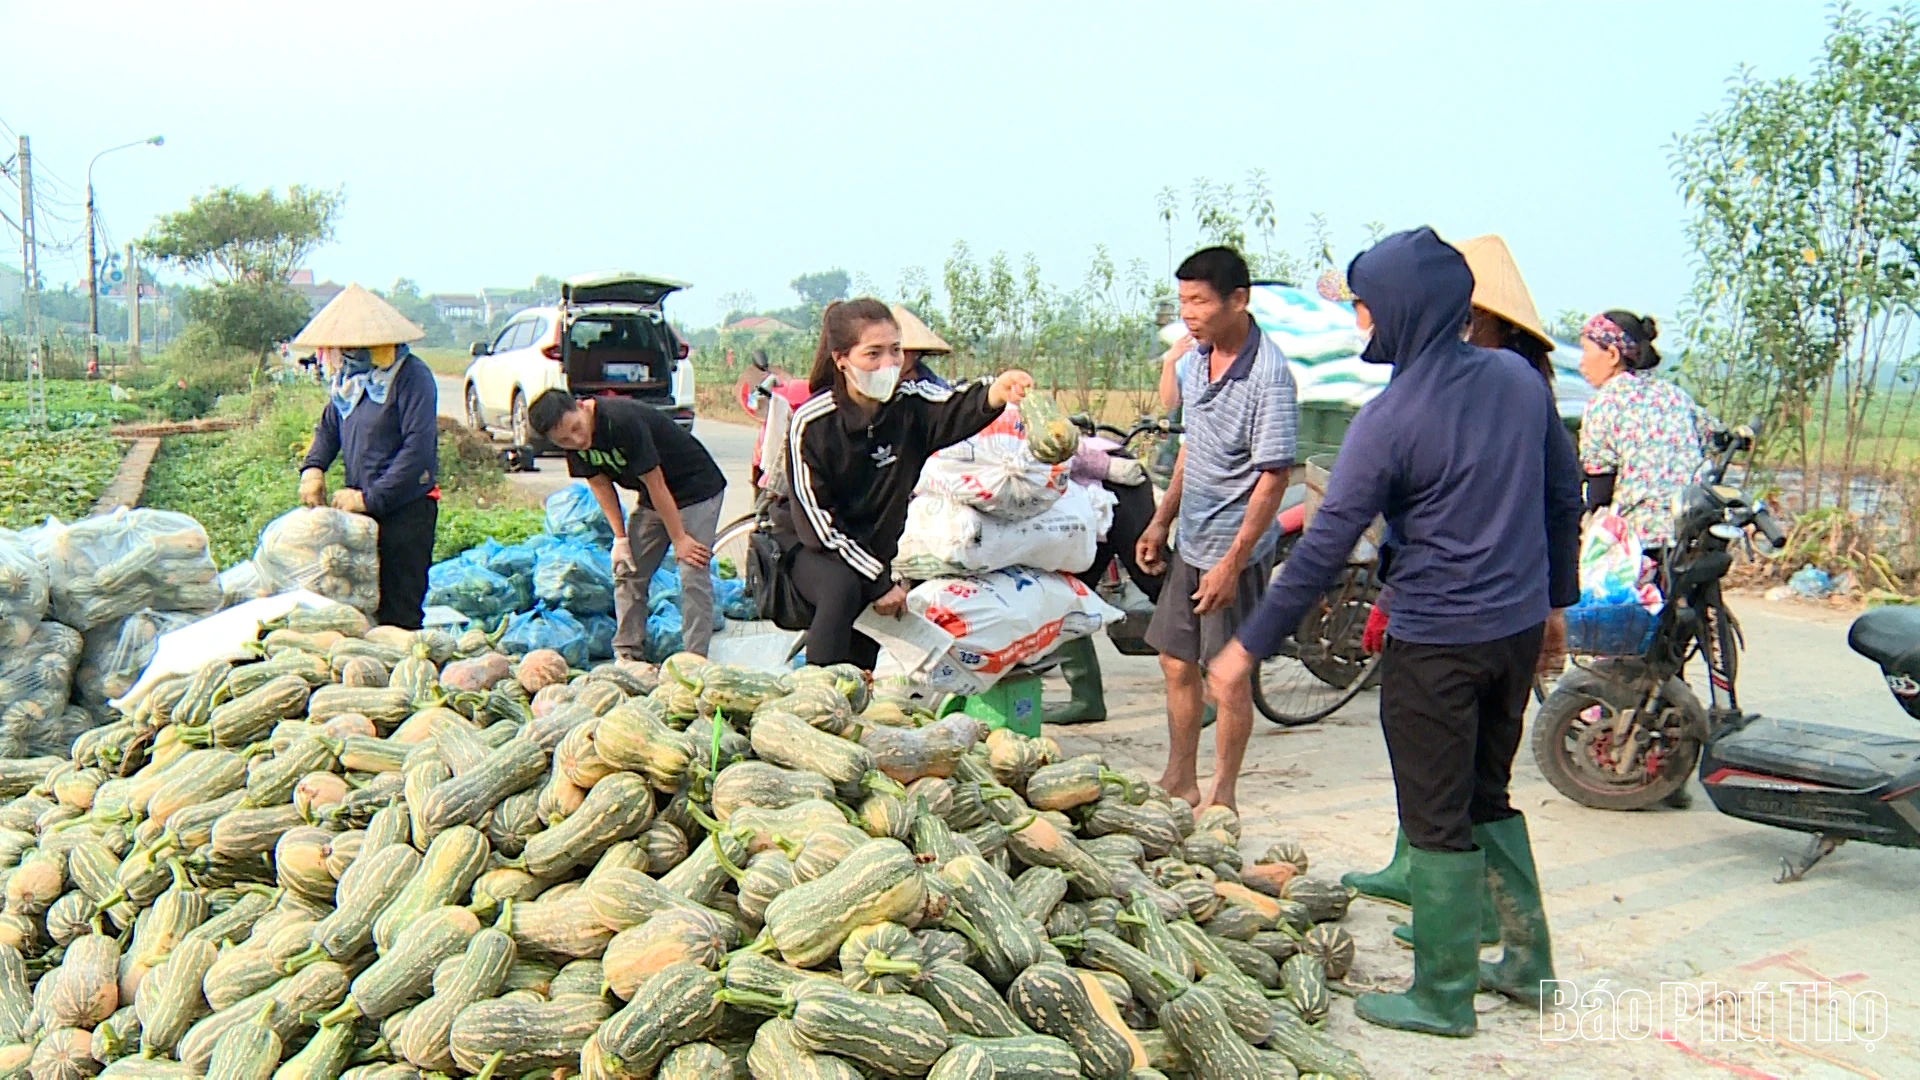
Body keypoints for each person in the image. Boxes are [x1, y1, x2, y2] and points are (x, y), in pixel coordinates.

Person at [1210, 228, 1581, 1037]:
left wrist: (1247, 645)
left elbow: (1324, 547)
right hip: (1515, 631)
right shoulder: (1519, 380)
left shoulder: (1391, 418)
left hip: (1437, 641)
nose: (1358, 322)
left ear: (1405, 309)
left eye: (1365, 307)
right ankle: (1526, 964)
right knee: (1489, 792)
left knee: (1435, 814)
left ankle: (1442, 997)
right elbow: (1563, 495)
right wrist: (1557, 603)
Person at [1346, 233, 1569, 935]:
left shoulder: (1500, 386)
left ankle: (1452, 950)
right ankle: (1477, 924)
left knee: (1451, 786)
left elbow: (1542, 505)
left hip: (1462, 618)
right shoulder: (1491, 381)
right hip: (1492, 610)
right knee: (1455, 778)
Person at [776, 298, 1032, 668]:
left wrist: (997, 392)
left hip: (875, 553)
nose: (888, 365)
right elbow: (819, 527)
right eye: (873, 354)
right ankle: (813, 697)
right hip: (814, 549)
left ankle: (854, 706)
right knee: (843, 588)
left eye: (895, 351)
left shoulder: (911, 404)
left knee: (866, 642)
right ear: (841, 360)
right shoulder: (813, 423)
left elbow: (954, 406)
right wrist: (879, 581)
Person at [1136, 246, 1297, 811]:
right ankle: (1180, 778)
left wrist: (1233, 561)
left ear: (1239, 300)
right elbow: (1191, 449)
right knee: (1174, 661)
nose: (1189, 313)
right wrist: (1162, 519)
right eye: (1182, 300)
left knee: (1226, 678)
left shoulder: (1270, 376)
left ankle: (1223, 796)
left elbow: (1274, 477)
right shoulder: (1193, 362)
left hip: (1236, 548)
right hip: (1192, 539)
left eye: (1200, 301)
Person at [526, 390, 728, 659]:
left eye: (576, 428)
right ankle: (627, 653)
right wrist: (620, 539)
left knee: (692, 569)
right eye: (564, 440)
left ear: (581, 406)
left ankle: (695, 658)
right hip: (654, 497)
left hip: (697, 488)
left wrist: (679, 538)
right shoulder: (573, 446)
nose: (578, 440)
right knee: (628, 568)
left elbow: (656, 481)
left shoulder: (620, 420)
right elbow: (600, 485)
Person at [294, 284, 441, 630]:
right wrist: (313, 467)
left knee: (398, 614)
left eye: (356, 346)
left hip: (405, 512)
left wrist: (368, 497)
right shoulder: (350, 381)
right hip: (360, 517)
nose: (347, 353)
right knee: (360, 609)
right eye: (343, 346)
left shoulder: (412, 378)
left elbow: (417, 452)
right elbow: (331, 426)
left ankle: (403, 679)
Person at [1577, 311, 1707, 559]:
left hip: (1639, 542)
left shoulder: (1603, 404)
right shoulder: (1675, 395)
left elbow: (1600, 491)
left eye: (1586, 350)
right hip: (1690, 533)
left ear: (1612, 355)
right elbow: (1712, 436)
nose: (1581, 362)